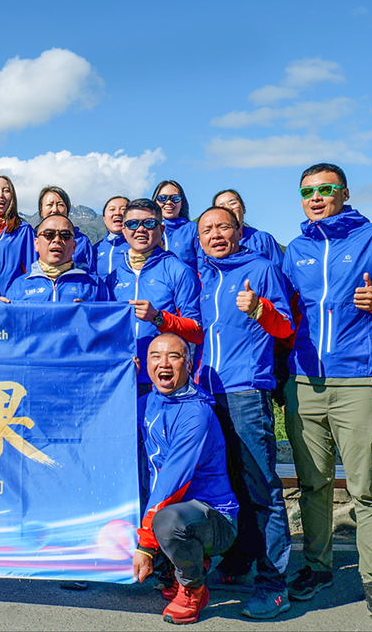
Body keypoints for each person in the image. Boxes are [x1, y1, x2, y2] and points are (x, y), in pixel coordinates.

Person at [282, 163, 372, 621]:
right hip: (305, 382)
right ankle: (317, 567)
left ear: (344, 192)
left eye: (325, 189)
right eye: (307, 192)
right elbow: (285, 317)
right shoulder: (296, 249)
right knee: (313, 485)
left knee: (366, 488)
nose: (316, 198)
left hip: (359, 380)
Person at [194, 206, 294, 619]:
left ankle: (274, 585)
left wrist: (259, 309)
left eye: (223, 226)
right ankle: (239, 563)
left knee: (261, 489)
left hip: (246, 392)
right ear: (199, 239)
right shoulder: (203, 275)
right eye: (207, 229)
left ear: (239, 231)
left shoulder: (262, 268)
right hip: (206, 393)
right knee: (228, 484)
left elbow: (286, 327)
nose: (215, 234)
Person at [132, 333, 238, 626]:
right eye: (155, 356)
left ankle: (193, 588)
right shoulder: (147, 403)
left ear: (189, 365)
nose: (164, 363)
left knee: (167, 521)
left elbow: (171, 484)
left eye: (174, 356)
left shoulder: (196, 413)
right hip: (174, 511)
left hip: (214, 519)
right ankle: (178, 565)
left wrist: (145, 546)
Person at [106, 199, 202, 391]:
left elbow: (197, 332)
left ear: (162, 229)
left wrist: (158, 318)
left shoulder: (180, 271)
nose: (140, 229)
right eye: (132, 223)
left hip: (164, 381)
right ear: (124, 230)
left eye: (149, 223)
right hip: (121, 379)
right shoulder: (112, 279)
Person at [0, 214, 109, 303]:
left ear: (74, 247)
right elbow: (8, 322)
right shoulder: (19, 286)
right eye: (49, 234)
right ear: (36, 244)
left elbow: (110, 320)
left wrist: (90, 314)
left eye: (65, 235)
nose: (57, 240)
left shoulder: (94, 285)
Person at [210, 189, 283, 265]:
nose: (228, 208)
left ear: (243, 208)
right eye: (221, 206)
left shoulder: (263, 239)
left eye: (233, 203)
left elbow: (279, 269)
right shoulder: (210, 243)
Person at [37, 186, 95, 271]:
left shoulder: (82, 240)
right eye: (49, 205)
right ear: (41, 211)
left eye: (60, 205)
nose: (55, 210)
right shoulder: (31, 237)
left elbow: (91, 272)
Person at [152, 180, 198, 271]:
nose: (168, 202)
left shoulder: (193, 229)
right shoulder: (148, 231)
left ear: (182, 203)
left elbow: (204, 265)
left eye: (175, 198)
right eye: (162, 198)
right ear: (155, 203)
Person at [92, 196, 129, 278]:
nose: (117, 213)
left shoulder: (138, 246)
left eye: (123, 209)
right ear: (104, 219)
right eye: (112, 209)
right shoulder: (95, 249)